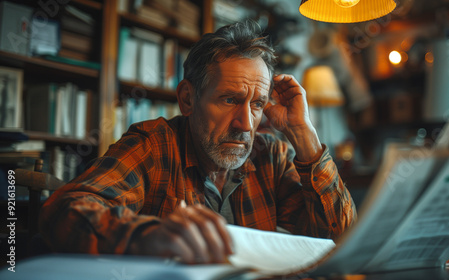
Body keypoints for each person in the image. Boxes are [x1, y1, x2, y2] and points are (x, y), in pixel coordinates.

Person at [39, 21, 356, 264]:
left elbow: (340, 239)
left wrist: (304, 134)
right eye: (230, 99)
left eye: (257, 104)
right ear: (188, 99)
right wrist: (148, 237)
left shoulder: (271, 154)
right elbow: (63, 213)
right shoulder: (155, 145)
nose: (245, 124)